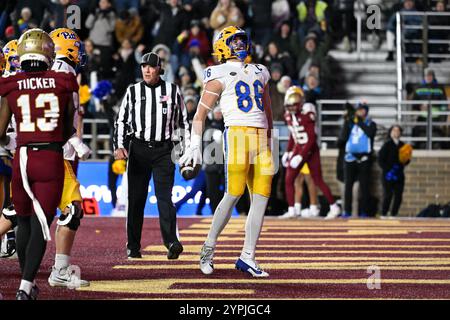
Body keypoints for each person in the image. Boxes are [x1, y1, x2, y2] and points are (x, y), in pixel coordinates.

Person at [180, 26, 274, 277]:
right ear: (222, 45)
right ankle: (208, 247)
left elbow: (268, 109)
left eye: (243, 40)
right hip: (237, 135)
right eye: (235, 41)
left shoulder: (261, 70)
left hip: (262, 138)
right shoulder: (217, 72)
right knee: (233, 193)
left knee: (262, 199)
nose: (241, 45)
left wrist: (271, 137)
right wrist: (194, 147)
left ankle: (248, 257)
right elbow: (199, 115)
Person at [0, 28, 77, 300]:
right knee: (40, 224)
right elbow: (68, 127)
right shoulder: (64, 79)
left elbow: (0, 132)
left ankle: (27, 282)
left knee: (22, 221)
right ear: (48, 52)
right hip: (50, 157)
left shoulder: (10, 83)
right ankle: (24, 286)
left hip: (21, 157)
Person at [114, 52, 190, 260]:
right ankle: (133, 246)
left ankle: (171, 242)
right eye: (144, 67)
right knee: (136, 199)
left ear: (159, 69)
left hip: (164, 151)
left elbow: (183, 122)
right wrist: (119, 146)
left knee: (165, 198)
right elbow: (121, 121)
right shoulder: (133, 91)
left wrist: (186, 151)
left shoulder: (173, 91)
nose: (147, 70)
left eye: (151, 67)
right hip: (138, 149)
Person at [47, 28, 91, 288]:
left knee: (19, 212)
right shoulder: (64, 72)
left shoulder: (47, 70)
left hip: (34, 150)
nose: (80, 53)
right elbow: (60, 116)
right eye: (76, 47)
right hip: (57, 152)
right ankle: (60, 270)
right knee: (72, 209)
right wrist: (74, 140)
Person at [281, 86, 340, 219]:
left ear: (301, 102)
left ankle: (334, 207)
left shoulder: (307, 112)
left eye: (294, 105)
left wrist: (301, 156)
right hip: (299, 147)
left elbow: (312, 138)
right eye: (289, 105)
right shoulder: (288, 115)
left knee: (317, 180)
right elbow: (293, 134)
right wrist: (288, 151)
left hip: (311, 149)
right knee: (289, 179)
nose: (291, 108)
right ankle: (292, 209)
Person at [339, 102, 377, 218]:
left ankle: (364, 211)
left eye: (362, 109)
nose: (360, 112)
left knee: (365, 186)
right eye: (358, 110)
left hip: (364, 158)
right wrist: (347, 121)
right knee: (348, 186)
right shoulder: (350, 123)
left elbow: (370, 133)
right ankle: (347, 211)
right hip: (350, 157)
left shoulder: (371, 123)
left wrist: (358, 122)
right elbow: (343, 138)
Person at [378, 125, 412, 217]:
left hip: (399, 174)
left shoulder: (403, 145)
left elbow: (406, 161)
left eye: (398, 130)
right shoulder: (386, 145)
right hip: (388, 174)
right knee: (388, 195)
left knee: (398, 196)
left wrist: (406, 158)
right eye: (394, 130)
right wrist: (388, 170)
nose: (396, 132)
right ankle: (384, 213)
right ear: (390, 132)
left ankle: (394, 213)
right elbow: (380, 160)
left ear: (400, 133)